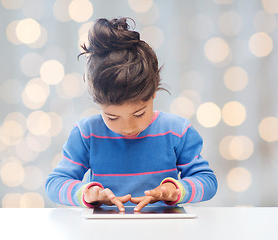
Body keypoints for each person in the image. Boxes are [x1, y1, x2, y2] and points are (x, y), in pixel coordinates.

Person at [45, 17, 218, 212]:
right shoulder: (87, 134)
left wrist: (176, 190)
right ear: (98, 104)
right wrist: (87, 193)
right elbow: (54, 184)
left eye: (139, 114)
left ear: (153, 93)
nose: (127, 127)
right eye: (112, 117)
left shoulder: (177, 131)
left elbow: (207, 181)